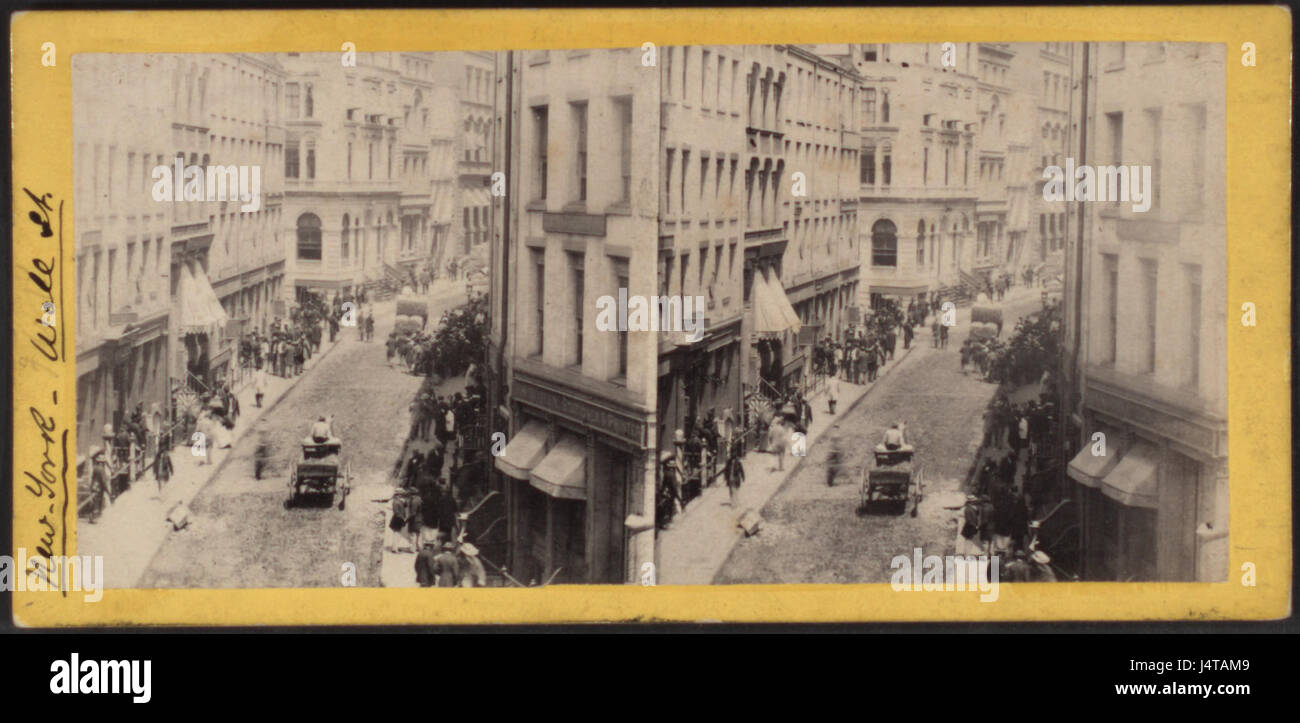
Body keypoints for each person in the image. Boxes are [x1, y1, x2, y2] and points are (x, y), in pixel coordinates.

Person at [724, 438, 745, 506]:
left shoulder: (737, 461)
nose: (733, 454)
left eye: (734, 453)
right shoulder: (729, 461)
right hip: (730, 477)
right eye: (732, 453)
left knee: (735, 489)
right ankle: (733, 502)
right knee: (731, 490)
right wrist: (725, 477)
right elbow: (726, 469)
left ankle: (735, 502)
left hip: (735, 477)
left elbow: (741, 469)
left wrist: (743, 476)